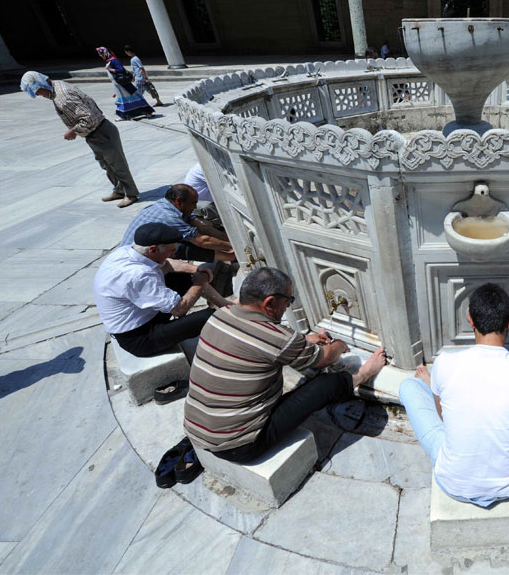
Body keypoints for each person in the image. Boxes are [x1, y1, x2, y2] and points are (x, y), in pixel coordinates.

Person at [184, 267, 387, 461]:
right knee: (328, 384)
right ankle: (364, 374)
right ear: (270, 303)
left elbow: (260, 344)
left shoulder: (220, 315)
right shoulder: (278, 340)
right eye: (289, 300)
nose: (289, 306)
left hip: (198, 431)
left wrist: (302, 341)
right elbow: (325, 359)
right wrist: (340, 345)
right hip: (241, 446)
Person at [398, 283, 509, 506]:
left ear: (470, 320)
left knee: (408, 387)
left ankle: (433, 387)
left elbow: (443, 417)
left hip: (454, 484)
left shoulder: (445, 362)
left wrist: (431, 381)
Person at [95, 223, 231, 358]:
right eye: (171, 250)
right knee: (211, 317)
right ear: (153, 250)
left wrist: (195, 270)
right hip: (139, 338)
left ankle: (226, 305)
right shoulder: (138, 275)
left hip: (145, 316)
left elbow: (168, 263)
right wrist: (200, 283)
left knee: (184, 277)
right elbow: (179, 309)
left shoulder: (128, 251)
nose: (174, 253)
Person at [20, 71, 140, 208]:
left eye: (38, 91)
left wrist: (73, 131)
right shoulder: (57, 86)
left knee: (118, 165)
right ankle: (119, 190)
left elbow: (88, 118)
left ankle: (131, 194)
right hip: (93, 133)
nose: (39, 95)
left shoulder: (63, 97)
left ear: (41, 84)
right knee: (106, 165)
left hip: (100, 131)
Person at [120, 184, 234, 263]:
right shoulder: (170, 216)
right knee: (183, 246)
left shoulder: (170, 205)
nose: (195, 207)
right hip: (135, 257)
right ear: (179, 201)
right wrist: (235, 247)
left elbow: (202, 227)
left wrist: (229, 239)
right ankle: (231, 256)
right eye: (193, 203)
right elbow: (203, 241)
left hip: (146, 249)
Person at [95, 46, 154, 120]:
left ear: (105, 53)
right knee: (124, 100)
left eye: (101, 54)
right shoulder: (109, 61)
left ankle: (148, 111)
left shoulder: (113, 61)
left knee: (135, 97)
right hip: (119, 85)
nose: (100, 56)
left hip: (124, 84)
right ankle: (124, 115)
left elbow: (121, 70)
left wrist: (110, 69)